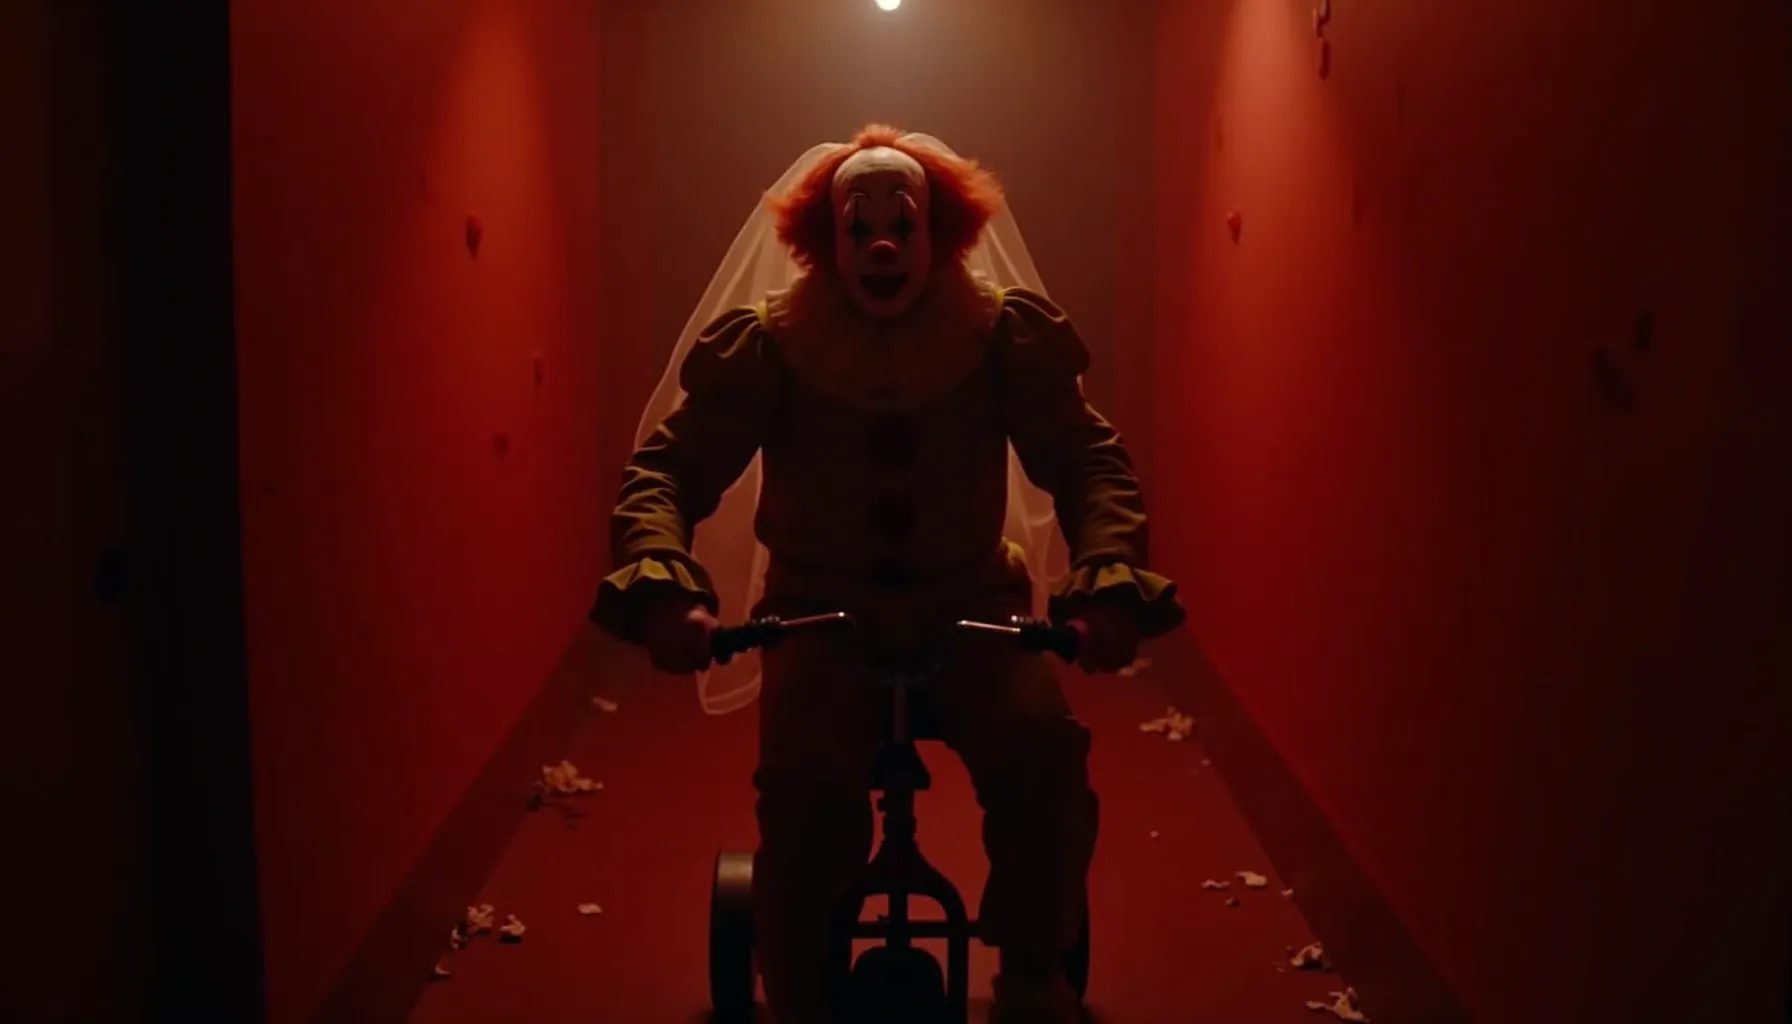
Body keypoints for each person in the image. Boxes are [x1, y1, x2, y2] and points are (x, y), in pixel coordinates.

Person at [590, 124, 1184, 1023]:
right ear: (824, 239)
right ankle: (800, 994)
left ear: (936, 232)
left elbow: (1084, 460)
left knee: (1043, 761)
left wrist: (1108, 574)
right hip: (816, 615)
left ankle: (1033, 975)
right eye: (858, 226)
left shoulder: (997, 335)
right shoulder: (775, 345)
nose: (880, 245)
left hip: (971, 605)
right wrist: (664, 587)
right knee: (804, 800)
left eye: (901, 225)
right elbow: (668, 472)